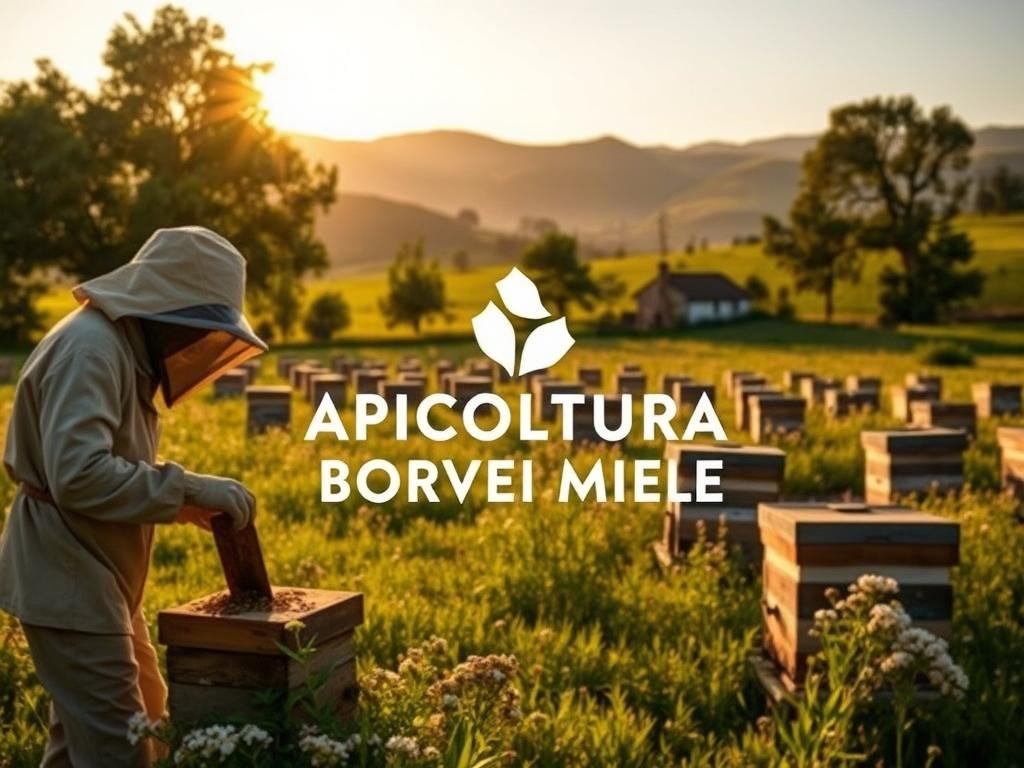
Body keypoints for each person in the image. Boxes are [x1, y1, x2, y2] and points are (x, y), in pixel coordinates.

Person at [0, 226, 268, 767]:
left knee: (124, 724)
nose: (196, 343)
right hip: (69, 579)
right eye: (195, 325)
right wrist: (188, 487)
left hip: (95, 578)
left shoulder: (115, 344)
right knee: (121, 748)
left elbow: (101, 469)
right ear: (164, 303)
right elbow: (78, 475)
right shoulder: (92, 349)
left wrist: (188, 503)